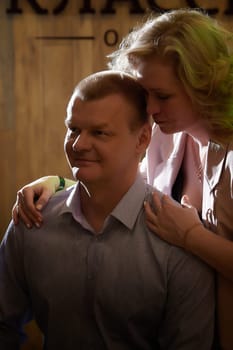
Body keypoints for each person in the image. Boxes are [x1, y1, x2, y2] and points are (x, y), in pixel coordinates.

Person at [11, 8, 233, 349]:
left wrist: (191, 237)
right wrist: (57, 185)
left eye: (163, 95)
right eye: (146, 94)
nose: (151, 109)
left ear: (203, 83)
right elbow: (123, 187)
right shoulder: (166, 133)